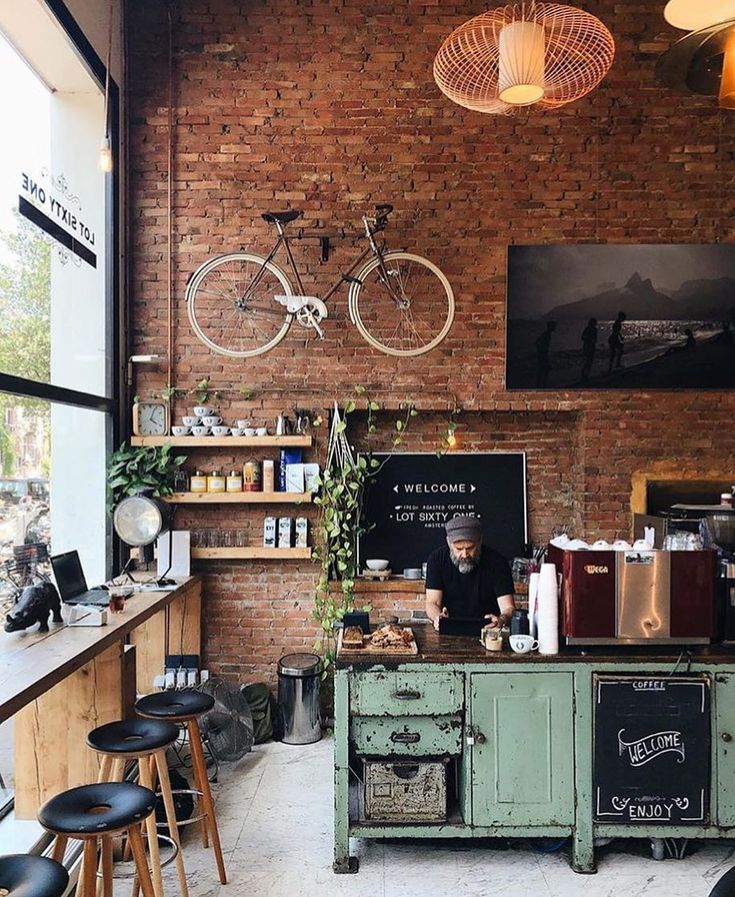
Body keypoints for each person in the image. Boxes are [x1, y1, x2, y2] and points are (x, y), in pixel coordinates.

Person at [425, 516, 516, 631]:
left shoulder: (497, 562)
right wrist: (437, 617)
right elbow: (432, 603)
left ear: (480, 541)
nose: (464, 554)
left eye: (470, 548)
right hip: (449, 629)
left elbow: (508, 607)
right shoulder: (436, 559)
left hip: (489, 631)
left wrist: (501, 620)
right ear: (449, 543)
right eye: (458, 549)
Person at [535, 321, 556, 387]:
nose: (555, 328)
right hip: (543, 354)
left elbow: (537, 342)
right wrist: (541, 350)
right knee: (545, 369)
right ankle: (542, 384)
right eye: (554, 326)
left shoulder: (546, 334)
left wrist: (540, 350)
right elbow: (536, 342)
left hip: (543, 354)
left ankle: (541, 383)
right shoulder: (546, 335)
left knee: (543, 369)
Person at [580, 317, 598, 383]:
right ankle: (584, 373)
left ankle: (586, 373)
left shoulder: (594, 330)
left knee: (589, 361)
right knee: (588, 360)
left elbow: (595, 339)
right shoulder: (588, 329)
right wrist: (589, 339)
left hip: (590, 346)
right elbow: (583, 337)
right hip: (588, 346)